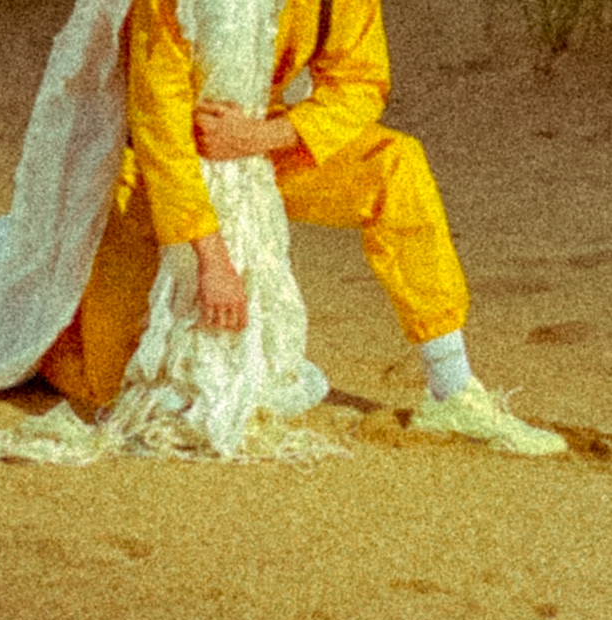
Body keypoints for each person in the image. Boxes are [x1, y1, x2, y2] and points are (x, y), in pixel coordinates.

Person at [38, 0, 568, 456]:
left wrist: (263, 135)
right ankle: (42, 338)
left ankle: (453, 392)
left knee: (395, 165)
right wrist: (213, 259)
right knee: (109, 383)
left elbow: (360, 82)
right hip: (154, 165)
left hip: (256, 143)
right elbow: (158, 129)